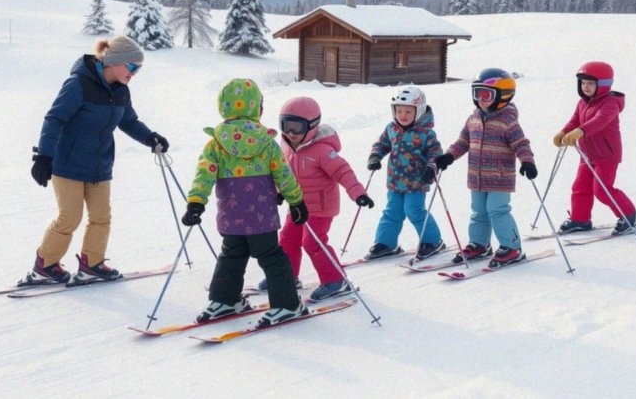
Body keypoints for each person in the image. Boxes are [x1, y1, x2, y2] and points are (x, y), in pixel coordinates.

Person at [24, 35, 169, 286]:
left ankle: (92, 265)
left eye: (139, 68)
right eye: (132, 66)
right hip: (67, 163)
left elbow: (129, 121)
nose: (135, 73)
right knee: (69, 218)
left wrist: (150, 137)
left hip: (100, 165)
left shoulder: (121, 91)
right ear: (114, 61)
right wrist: (44, 157)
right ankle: (44, 266)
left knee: (101, 217)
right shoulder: (79, 84)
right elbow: (54, 119)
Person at [181, 78, 309, 327]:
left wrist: (196, 203)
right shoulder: (267, 142)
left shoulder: (215, 143)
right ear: (256, 108)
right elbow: (283, 174)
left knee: (231, 255)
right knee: (271, 256)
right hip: (262, 217)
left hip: (231, 216)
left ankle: (224, 300)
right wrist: (296, 200)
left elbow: (204, 174)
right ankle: (287, 304)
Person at [257, 97, 374, 301]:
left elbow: (343, 171)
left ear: (311, 126)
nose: (291, 133)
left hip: (320, 207)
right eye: (286, 126)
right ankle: (287, 276)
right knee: (287, 240)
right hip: (297, 205)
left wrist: (358, 193)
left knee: (313, 243)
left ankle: (336, 280)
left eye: (297, 128)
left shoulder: (322, 150)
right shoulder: (285, 146)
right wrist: (278, 191)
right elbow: (282, 172)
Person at [433, 68, 537, 267]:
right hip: (476, 177)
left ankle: (512, 247)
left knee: (497, 210)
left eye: (486, 94)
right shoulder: (473, 118)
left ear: (503, 95)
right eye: (477, 93)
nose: (481, 99)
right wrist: (448, 156)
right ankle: (479, 244)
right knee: (478, 211)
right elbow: (463, 142)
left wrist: (527, 162)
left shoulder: (508, 121)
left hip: (500, 177)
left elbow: (521, 144)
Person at [553, 61, 636, 235]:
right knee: (580, 187)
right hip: (587, 154)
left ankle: (631, 216)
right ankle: (580, 219)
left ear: (602, 85)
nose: (586, 87)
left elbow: (600, 121)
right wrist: (564, 132)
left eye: (590, 83)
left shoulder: (610, 103)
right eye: (583, 83)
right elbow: (575, 120)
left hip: (606, 155)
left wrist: (580, 131)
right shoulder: (583, 102)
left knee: (602, 190)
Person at [364, 85, 445, 261]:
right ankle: (386, 243)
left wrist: (432, 167)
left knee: (414, 210)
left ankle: (432, 240)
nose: (402, 115)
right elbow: (381, 144)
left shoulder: (426, 133)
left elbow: (436, 153)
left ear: (419, 110)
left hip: (417, 182)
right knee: (392, 211)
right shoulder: (391, 128)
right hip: (395, 182)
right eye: (398, 111)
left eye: (408, 112)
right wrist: (375, 157)